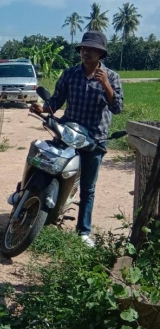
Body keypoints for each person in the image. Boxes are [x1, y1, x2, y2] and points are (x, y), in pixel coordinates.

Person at [30, 31, 123, 247]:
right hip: (68, 133)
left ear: (101, 53)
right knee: (46, 165)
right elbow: (56, 101)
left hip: (94, 139)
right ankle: (28, 202)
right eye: (83, 48)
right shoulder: (70, 74)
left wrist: (106, 85)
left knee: (88, 188)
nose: (85, 52)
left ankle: (83, 231)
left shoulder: (112, 77)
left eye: (91, 49)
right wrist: (42, 108)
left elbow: (118, 108)